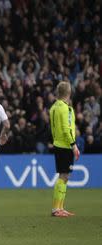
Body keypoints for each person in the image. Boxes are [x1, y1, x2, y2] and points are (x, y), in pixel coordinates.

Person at [49, 82, 80, 217]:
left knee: (64, 176)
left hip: (57, 143)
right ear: (69, 92)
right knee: (64, 176)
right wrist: (74, 145)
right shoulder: (66, 109)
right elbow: (67, 129)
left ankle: (60, 207)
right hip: (65, 145)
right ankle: (56, 209)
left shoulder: (53, 107)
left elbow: (54, 128)